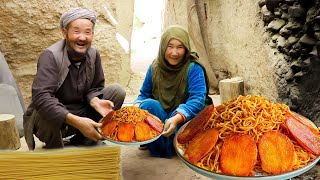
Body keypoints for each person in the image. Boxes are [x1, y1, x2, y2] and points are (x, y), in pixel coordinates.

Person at [23, 8, 126, 150]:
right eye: (76, 31)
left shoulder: (94, 54)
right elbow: (41, 97)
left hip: (80, 109)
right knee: (44, 111)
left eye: (87, 32)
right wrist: (77, 122)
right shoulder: (50, 56)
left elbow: (95, 88)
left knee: (117, 91)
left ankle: (86, 139)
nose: (82, 37)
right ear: (64, 33)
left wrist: (95, 101)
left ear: (92, 34)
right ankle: (56, 148)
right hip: (56, 119)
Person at [133, 25, 212, 158]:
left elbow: (197, 99)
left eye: (180, 47)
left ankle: (163, 142)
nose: (174, 53)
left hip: (183, 117)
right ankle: (164, 142)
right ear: (163, 47)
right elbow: (144, 94)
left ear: (186, 48)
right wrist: (135, 108)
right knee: (147, 105)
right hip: (160, 115)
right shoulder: (155, 67)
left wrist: (177, 118)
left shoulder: (193, 68)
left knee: (196, 121)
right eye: (170, 46)